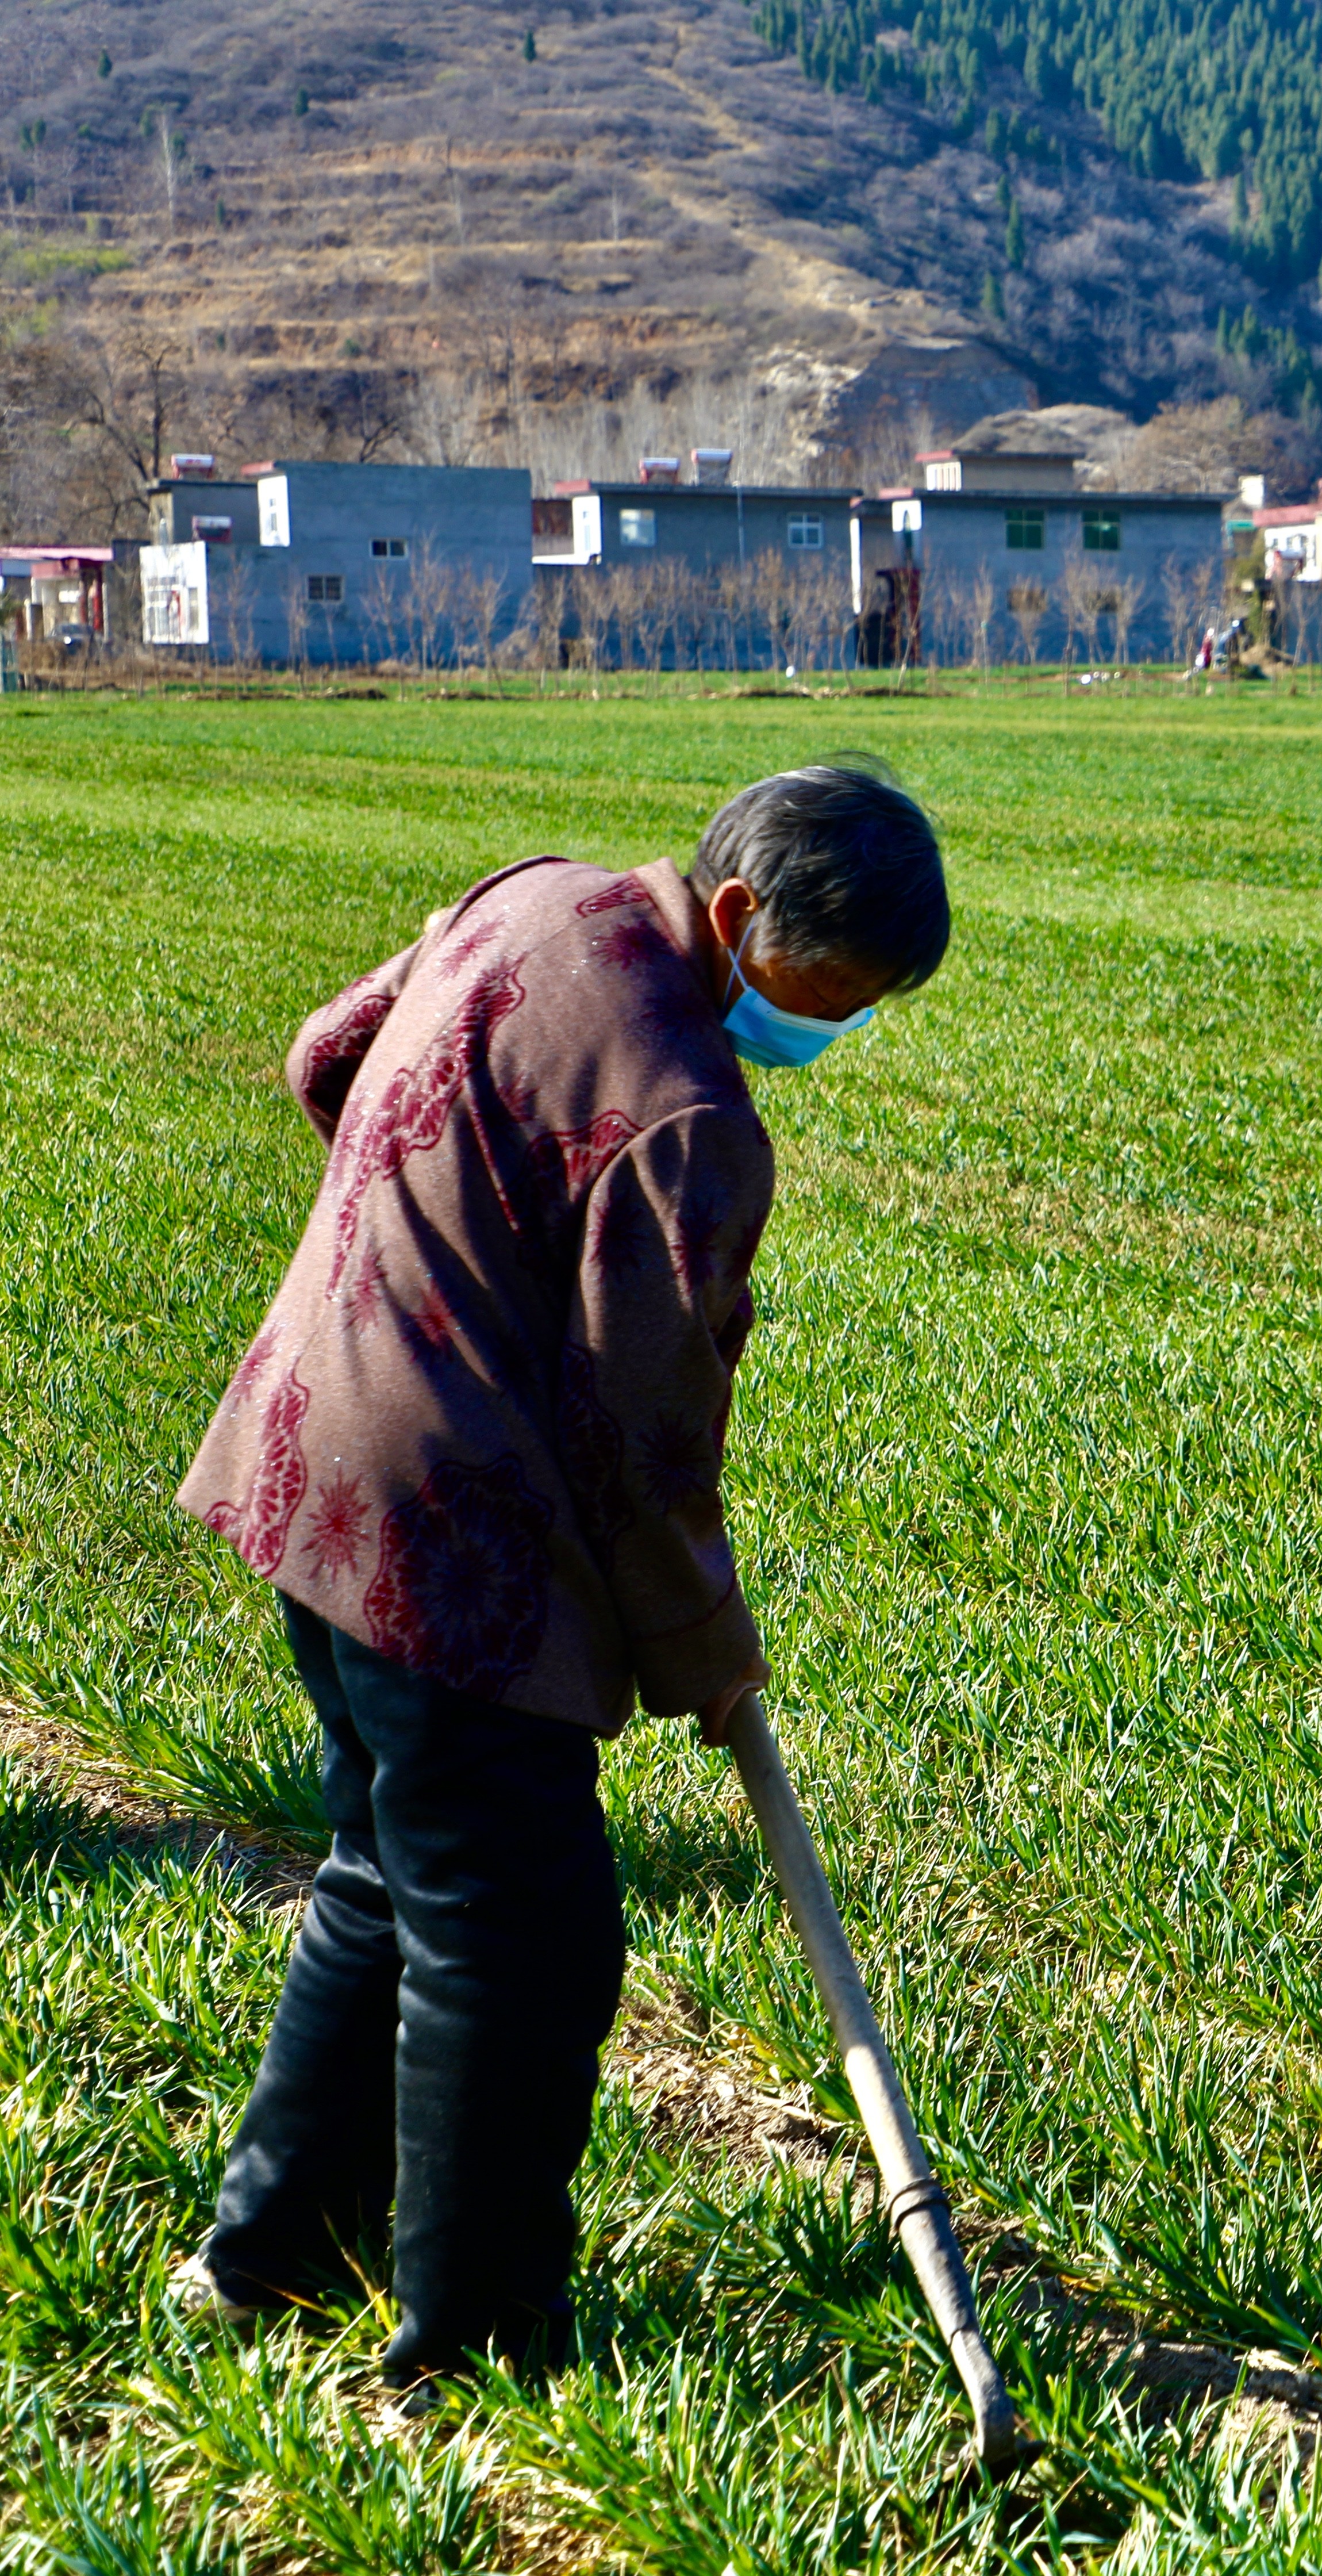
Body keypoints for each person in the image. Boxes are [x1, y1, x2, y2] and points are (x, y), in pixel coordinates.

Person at [168, 764, 952, 2389]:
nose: (839, 1034)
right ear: (740, 921)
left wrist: (426, 1232)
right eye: (836, 997)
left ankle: (268, 2260)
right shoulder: (688, 1116)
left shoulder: (534, 898)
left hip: (307, 1446)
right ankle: (474, 2346)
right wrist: (702, 1645)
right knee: (524, 1938)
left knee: (391, 1879)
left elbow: (328, 1057)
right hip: (442, 1540)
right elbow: (644, 1440)